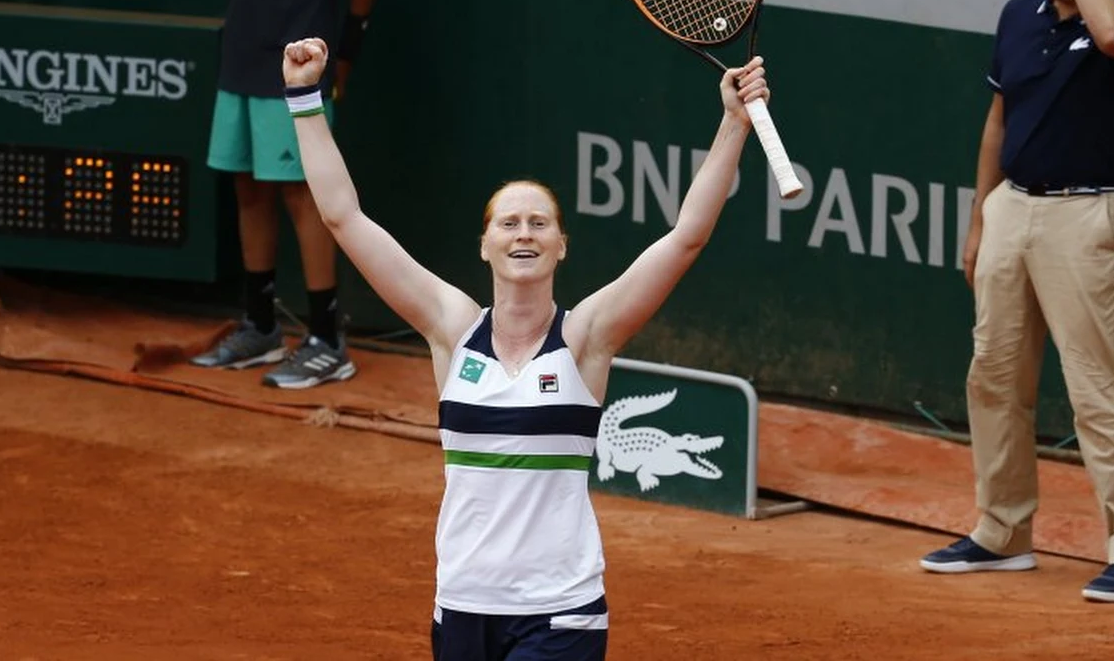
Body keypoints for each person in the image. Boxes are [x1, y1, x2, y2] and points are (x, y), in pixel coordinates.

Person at [279, 36, 767, 659]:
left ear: (562, 245)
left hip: (560, 612)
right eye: (508, 223)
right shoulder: (451, 328)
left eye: (539, 223)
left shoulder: (587, 337)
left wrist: (732, 125)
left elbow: (686, 237)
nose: (524, 234)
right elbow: (344, 218)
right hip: (461, 606)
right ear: (485, 244)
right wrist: (304, 98)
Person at [920, 0, 1114, 604]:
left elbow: (1112, 34)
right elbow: (997, 124)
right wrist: (981, 219)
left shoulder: (1109, 17)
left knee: (1099, 388)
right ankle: (1002, 532)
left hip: (1088, 215)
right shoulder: (1017, 17)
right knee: (994, 375)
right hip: (1014, 211)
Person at [191, 0, 382, 389]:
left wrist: (346, 52)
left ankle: (326, 339)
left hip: (298, 65)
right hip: (239, 59)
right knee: (247, 187)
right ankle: (261, 326)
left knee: (303, 195)